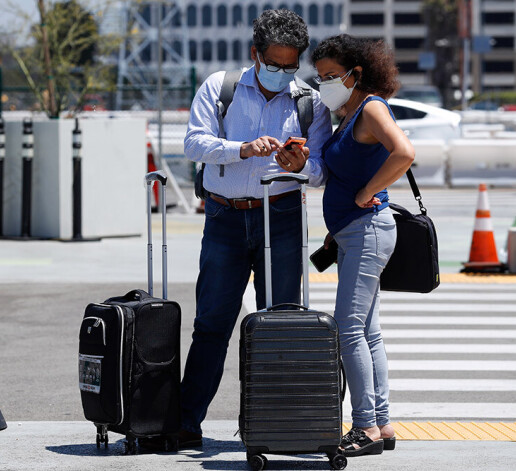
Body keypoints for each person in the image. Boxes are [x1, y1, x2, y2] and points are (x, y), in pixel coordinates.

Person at [175, 9, 332, 449]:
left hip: (281, 215)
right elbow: (193, 143)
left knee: (280, 322)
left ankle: (275, 423)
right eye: (273, 64)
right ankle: (187, 421)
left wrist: (302, 165)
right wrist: (241, 149)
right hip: (224, 216)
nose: (282, 73)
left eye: (290, 65)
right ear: (255, 54)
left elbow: (320, 170)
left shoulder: (310, 102)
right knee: (212, 323)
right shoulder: (220, 87)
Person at [311, 34, 415, 457]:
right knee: (367, 331)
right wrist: (336, 227)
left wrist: (364, 193)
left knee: (348, 328)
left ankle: (366, 428)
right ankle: (383, 424)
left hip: (368, 227)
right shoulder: (349, 114)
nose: (325, 85)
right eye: (320, 77)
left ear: (357, 73)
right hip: (354, 232)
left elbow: (404, 152)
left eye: (332, 76)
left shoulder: (370, 107)